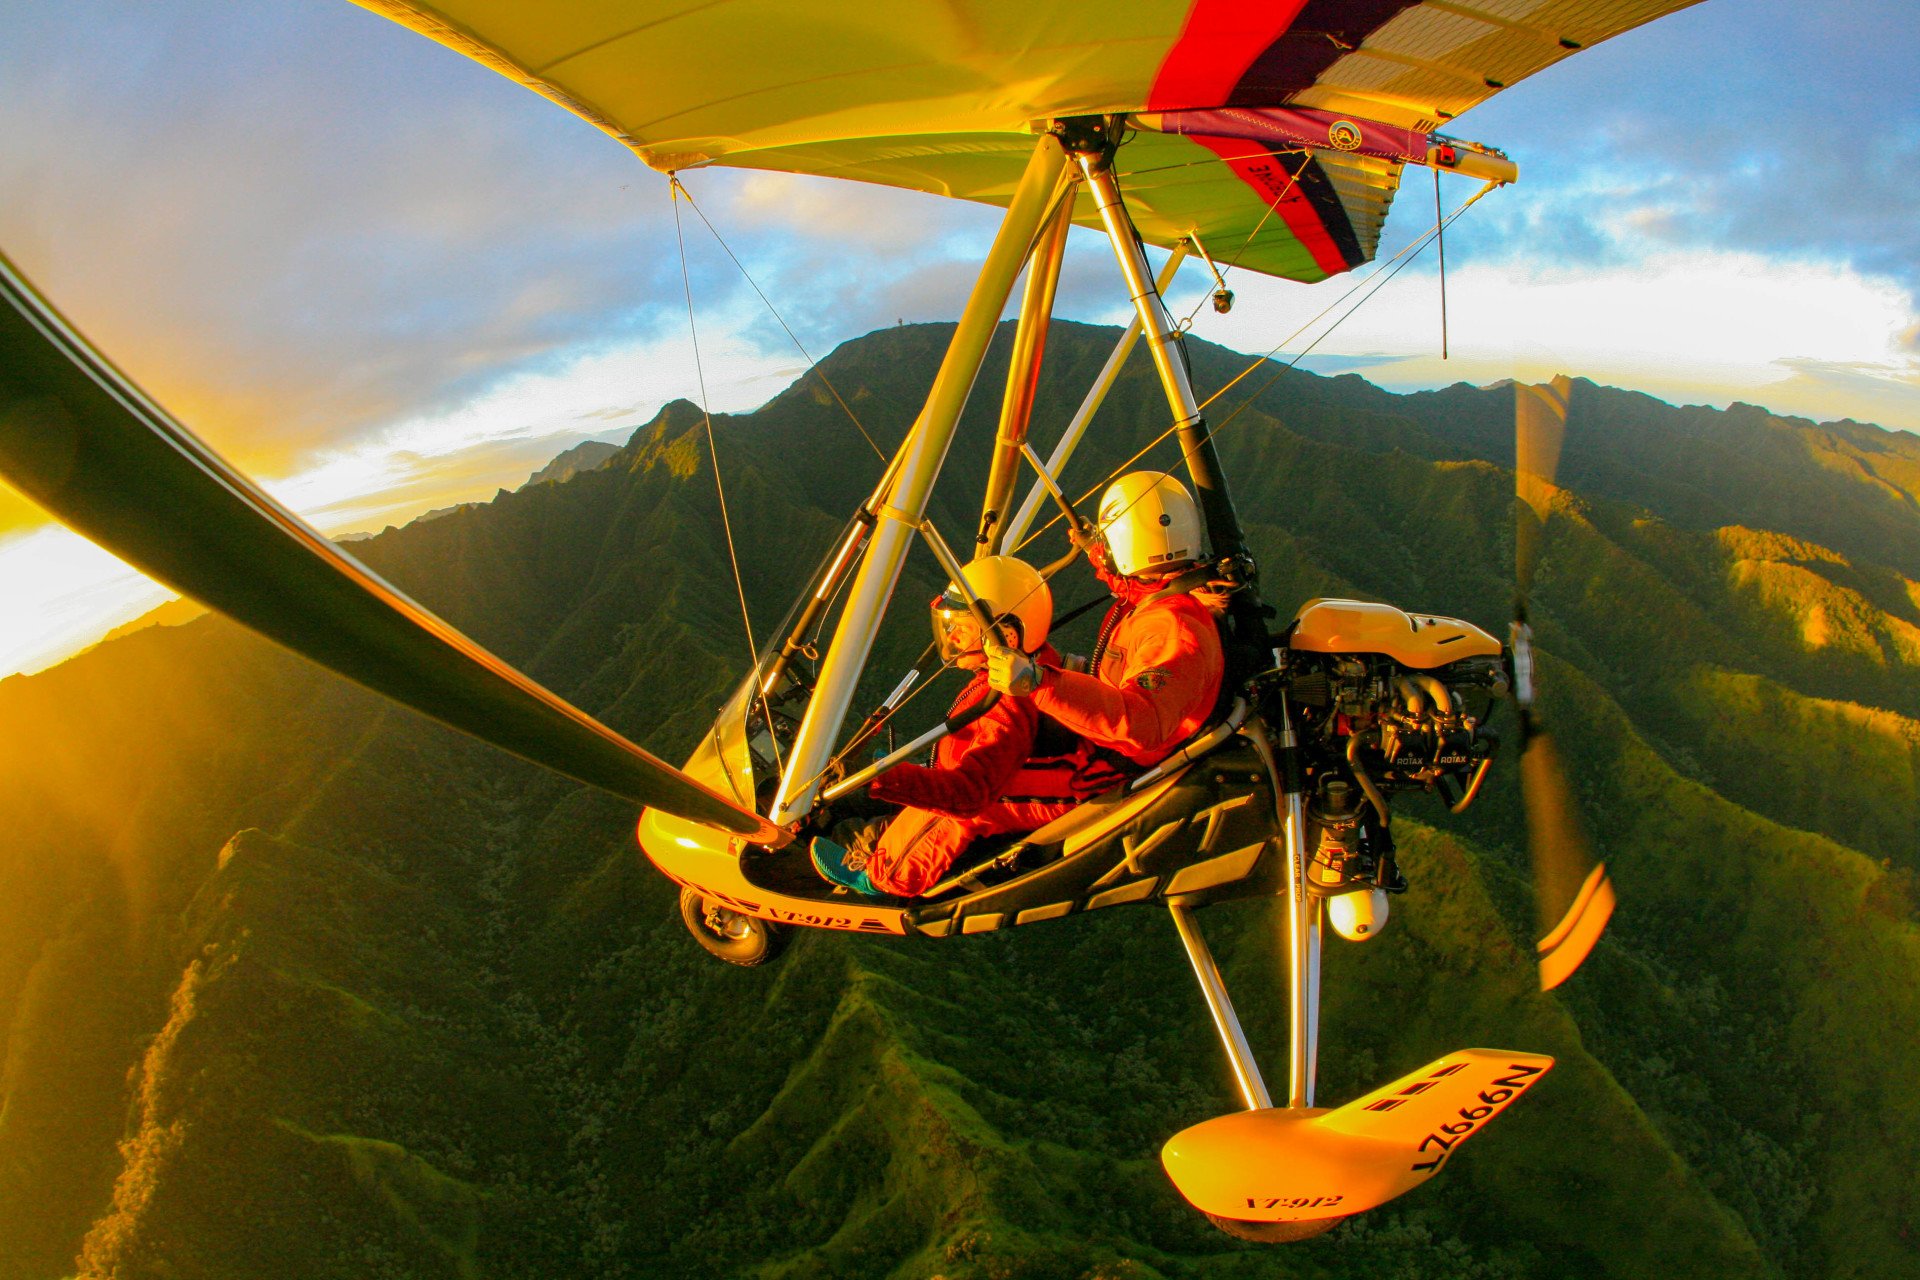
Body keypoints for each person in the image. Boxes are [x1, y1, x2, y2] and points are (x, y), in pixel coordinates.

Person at [810, 555, 1080, 898]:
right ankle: (880, 826)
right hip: (1000, 771)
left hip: (984, 799)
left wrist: (882, 775)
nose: (952, 637)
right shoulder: (1026, 666)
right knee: (909, 792)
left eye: (963, 628)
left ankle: (879, 875)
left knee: (941, 816)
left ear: (1007, 635)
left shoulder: (1009, 704)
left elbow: (970, 797)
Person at [986, 472, 1224, 790]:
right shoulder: (1162, 592)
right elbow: (1134, 580)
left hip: (1112, 767)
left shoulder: (1173, 631)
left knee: (981, 799)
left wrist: (1039, 682)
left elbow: (1144, 724)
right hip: (1104, 740)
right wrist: (1094, 549)